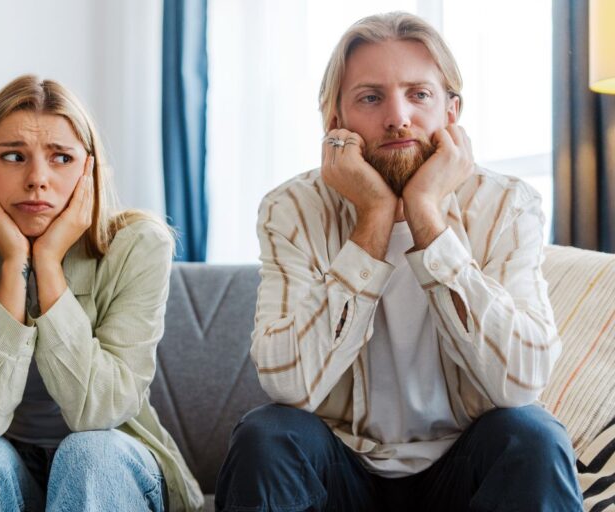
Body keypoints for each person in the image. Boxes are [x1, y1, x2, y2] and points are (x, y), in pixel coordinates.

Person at [215, 12, 583, 512]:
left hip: (463, 468)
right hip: (342, 469)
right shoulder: (292, 209)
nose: (397, 117)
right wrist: (373, 219)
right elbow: (289, 384)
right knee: (267, 434)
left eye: (419, 94)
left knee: (532, 436)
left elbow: (521, 381)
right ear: (335, 123)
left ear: (452, 113)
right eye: (370, 97)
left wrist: (428, 218)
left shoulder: (508, 205)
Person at [0, 75, 203, 512]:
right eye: (14, 156)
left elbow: (100, 411)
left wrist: (49, 264)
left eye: (61, 158)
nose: (38, 179)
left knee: (90, 454)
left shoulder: (141, 244)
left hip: (109, 467)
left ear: (88, 170)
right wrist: (13, 264)